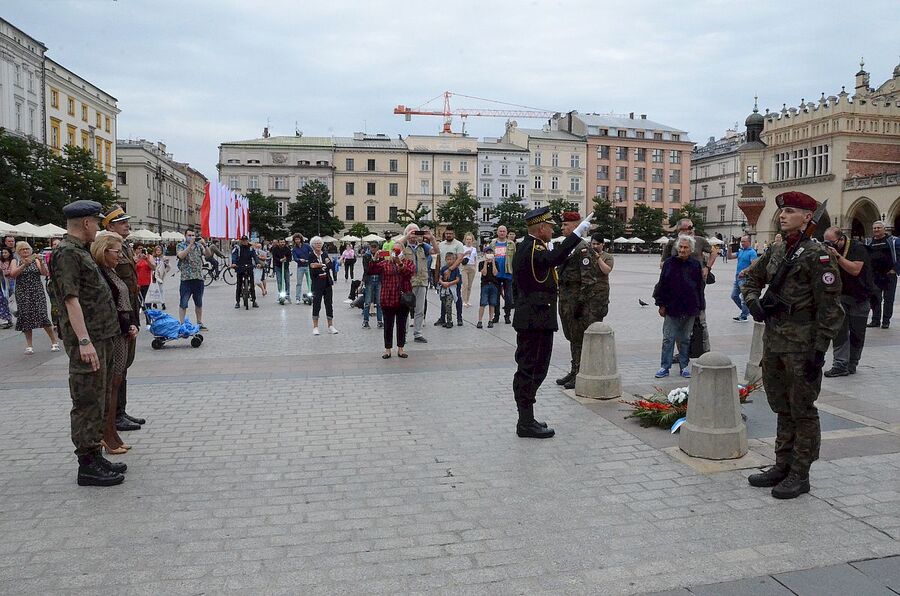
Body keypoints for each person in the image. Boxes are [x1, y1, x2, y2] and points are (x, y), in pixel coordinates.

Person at [742, 191, 843, 499]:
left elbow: (830, 307)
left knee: (802, 410)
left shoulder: (818, 255)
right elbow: (749, 279)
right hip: (774, 341)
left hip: (802, 345)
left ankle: (800, 473)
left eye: (790, 210)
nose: (783, 215)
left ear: (807, 217)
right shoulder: (775, 250)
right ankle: (782, 465)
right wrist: (752, 303)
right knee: (781, 407)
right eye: (782, 211)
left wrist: (819, 350)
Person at [47, 200, 126, 486]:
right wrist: (83, 340)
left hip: (100, 336)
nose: (98, 226)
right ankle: (87, 465)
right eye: (96, 221)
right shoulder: (66, 253)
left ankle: (95, 454)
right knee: (87, 400)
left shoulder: (79, 251)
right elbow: (70, 299)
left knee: (100, 396)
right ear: (85, 224)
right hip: (88, 339)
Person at [512, 207, 592, 439]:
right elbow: (554, 258)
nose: (552, 229)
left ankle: (526, 418)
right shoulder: (530, 248)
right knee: (530, 370)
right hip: (534, 321)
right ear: (541, 228)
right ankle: (525, 422)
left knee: (536, 369)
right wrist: (577, 234)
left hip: (536, 319)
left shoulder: (531, 246)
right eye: (550, 226)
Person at [91, 231, 140, 455]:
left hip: (122, 332)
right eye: (116, 252)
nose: (120, 256)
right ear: (103, 251)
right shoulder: (101, 273)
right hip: (113, 334)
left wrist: (130, 322)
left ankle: (111, 431)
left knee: (117, 381)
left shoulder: (111, 271)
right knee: (112, 384)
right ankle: (107, 433)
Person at [555, 213, 611, 389]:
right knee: (571, 337)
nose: (562, 228)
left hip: (575, 301)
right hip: (565, 298)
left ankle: (579, 372)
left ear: (574, 226)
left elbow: (588, 280)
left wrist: (580, 303)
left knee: (578, 338)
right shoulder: (567, 247)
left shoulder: (583, 248)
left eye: (565, 225)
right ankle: (573, 370)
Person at [103, 207, 145, 432]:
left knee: (125, 364)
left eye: (127, 221)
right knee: (118, 366)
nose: (127, 225)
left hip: (130, 310)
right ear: (110, 227)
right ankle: (114, 415)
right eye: (121, 222)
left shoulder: (125, 247)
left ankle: (121, 411)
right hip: (120, 313)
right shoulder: (107, 248)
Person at [822, 227, 873, 377]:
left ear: (841, 239)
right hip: (841, 296)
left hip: (861, 296)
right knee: (840, 331)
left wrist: (837, 256)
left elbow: (855, 270)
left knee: (857, 332)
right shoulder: (829, 250)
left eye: (832, 242)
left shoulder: (858, 248)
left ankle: (852, 363)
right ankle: (840, 364)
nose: (829, 245)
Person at [660, 218, 717, 353]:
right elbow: (662, 263)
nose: (690, 230)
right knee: (680, 320)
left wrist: (707, 267)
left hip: (696, 287)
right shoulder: (672, 243)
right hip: (677, 288)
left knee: (701, 319)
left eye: (691, 227)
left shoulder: (700, 241)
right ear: (679, 230)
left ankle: (705, 351)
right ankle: (682, 353)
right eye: (687, 228)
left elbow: (714, 251)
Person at [652, 235, 705, 379]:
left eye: (685, 247)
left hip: (690, 307)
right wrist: (660, 304)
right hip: (671, 306)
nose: (682, 250)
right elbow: (662, 284)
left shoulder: (695, 265)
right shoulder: (669, 263)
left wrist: (700, 307)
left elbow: (699, 287)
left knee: (686, 339)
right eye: (680, 247)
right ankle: (665, 366)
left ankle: (684, 366)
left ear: (691, 249)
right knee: (668, 338)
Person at [8, 241, 59, 354]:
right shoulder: (15, 261)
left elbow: (45, 273)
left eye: (27, 249)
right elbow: (13, 274)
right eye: (22, 249)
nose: (25, 251)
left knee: (42, 315)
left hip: (37, 291)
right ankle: (29, 345)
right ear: (18, 251)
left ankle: (54, 341)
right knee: (26, 318)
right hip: (22, 292)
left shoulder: (35, 260)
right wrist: (24, 265)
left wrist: (41, 262)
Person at [369, 245, 415, 358]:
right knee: (388, 325)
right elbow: (371, 271)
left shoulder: (408, 262)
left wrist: (399, 263)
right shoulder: (385, 263)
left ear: (402, 251)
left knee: (401, 325)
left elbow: (408, 273)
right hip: (387, 298)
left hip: (402, 299)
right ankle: (388, 349)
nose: (395, 253)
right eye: (394, 251)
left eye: (398, 251)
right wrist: (375, 258)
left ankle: (401, 348)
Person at [866, 220, 900, 329]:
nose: (876, 230)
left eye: (878, 228)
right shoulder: (869, 242)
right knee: (875, 298)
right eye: (874, 228)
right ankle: (875, 320)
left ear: (884, 229)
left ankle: (886, 321)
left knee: (888, 299)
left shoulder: (893, 241)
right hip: (875, 275)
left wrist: (895, 269)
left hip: (889, 275)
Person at [176, 229, 212, 329]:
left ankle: (199, 322)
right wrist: (190, 245)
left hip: (198, 278)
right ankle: (182, 324)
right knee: (183, 302)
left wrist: (205, 245)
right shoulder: (180, 246)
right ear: (185, 236)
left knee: (199, 302)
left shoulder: (198, 246)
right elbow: (181, 256)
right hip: (186, 279)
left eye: (193, 235)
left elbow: (208, 255)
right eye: (189, 235)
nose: (191, 237)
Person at [435, 226, 466, 326]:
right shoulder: (441, 244)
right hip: (443, 274)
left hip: (454, 273)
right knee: (443, 297)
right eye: (447, 233)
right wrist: (437, 274)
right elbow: (439, 259)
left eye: (450, 233)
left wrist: (450, 269)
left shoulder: (459, 244)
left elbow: (460, 258)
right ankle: (443, 317)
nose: (448, 235)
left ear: (454, 234)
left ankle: (459, 318)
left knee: (457, 297)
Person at [309, 236, 338, 335]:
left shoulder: (324, 254)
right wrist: (322, 265)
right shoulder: (311, 255)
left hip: (327, 282)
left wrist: (320, 265)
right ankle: (315, 327)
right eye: (316, 243)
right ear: (313, 245)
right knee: (316, 304)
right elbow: (312, 267)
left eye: (320, 243)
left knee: (329, 304)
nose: (318, 245)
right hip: (317, 283)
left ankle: (330, 325)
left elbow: (330, 265)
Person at [489, 225, 516, 324]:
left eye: (504, 231)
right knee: (495, 296)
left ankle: (507, 315)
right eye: (500, 231)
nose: (502, 233)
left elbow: (515, 258)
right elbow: (488, 257)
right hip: (495, 273)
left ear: (506, 232)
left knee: (508, 296)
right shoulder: (493, 243)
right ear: (497, 232)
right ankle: (496, 316)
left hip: (507, 273)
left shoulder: (511, 244)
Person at [729, 234, 758, 322]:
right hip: (737, 277)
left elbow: (753, 265)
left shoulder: (752, 252)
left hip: (745, 278)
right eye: (741, 241)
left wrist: (744, 271)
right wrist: (729, 249)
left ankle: (744, 315)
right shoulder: (740, 251)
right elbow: (729, 257)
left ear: (749, 242)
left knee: (744, 298)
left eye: (743, 241)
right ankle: (745, 311)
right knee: (734, 296)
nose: (742, 243)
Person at [230, 235, 259, 308]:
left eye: (246, 240)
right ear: (241, 241)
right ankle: (237, 302)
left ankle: (254, 300)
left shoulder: (251, 248)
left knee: (252, 284)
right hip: (240, 267)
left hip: (249, 266)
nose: (244, 241)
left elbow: (254, 256)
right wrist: (233, 263)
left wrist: (257, 263)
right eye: (243, 240)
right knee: (239, 284)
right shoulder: (237, 247)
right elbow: (234, 255)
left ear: (248, 240)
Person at [360, 241, 383, 329]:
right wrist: (373, 260)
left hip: (379, 279)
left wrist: (378, 259)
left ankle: (380, 321)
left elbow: (382, 268)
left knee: (379, 302)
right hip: (369, 279)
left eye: (375, 246)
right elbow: (367, 269)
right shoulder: (366, 256)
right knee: (367, 302)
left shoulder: (381, 256)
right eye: (371, 247)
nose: (373, 248)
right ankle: (365, 321)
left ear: (377, 247)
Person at [476, 247, 499, 328]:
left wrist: (493, 262)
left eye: (490, 253)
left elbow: (495, 273)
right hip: (485, 284)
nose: (489, 254)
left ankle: (490, 320)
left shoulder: (496, 263)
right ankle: (480, 320)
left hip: (494, 284)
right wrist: (486, 262)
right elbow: (484, 273)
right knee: (483, 303)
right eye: (487, 253)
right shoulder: (481, 263)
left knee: (492, 303)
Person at [437, 252, 462, 328]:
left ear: (454, 260)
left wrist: (450, 283)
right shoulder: (443, 268)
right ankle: (446, 320)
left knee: (448, 304)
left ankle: (450, 320)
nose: (449, 261)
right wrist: (442, 283)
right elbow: (440, 278)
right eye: (447, 259)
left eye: (451, 259)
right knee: (445, 304)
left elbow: (457, 279)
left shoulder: (456, 269)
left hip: (451, 289)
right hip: (444, 289)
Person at [147, 245, 170, 310]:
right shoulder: (152, 257)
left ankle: (163, 303)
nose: (158, 251)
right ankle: (155, 302)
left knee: (161, 289)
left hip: (160, 275)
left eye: (159, 250)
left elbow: (168, 266)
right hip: (154, 275)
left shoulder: (164, 258)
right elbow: (150, 265)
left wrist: (165, 268)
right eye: (157, 250)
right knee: (154, 288)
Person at [291, 233, 312, 304]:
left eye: (298, 239)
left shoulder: (306, 246)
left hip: (308, 266)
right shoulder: (294, 249)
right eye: (295, 239)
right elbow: (295, 258)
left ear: (301, 239)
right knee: (299, 283)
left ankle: (311, 295)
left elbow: (312, 252)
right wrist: (299, 260)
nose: (297, 240)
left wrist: (309, 258)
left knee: (310, 282)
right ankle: (297, 298)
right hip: (300, 267)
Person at [460, 233, 478, 307]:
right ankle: (464, 300)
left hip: (472, 267)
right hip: (464, 267)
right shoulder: (462, 248)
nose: (468, 241)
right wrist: (465, 253)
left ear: (472, 240)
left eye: (470, 239)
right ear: (465, 240)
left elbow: (475, 259)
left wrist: (475, 267)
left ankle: (467, 300)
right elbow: (459, 257)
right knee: (465, 284)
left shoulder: (474, 249)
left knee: (469, 286)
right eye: (467, 239)